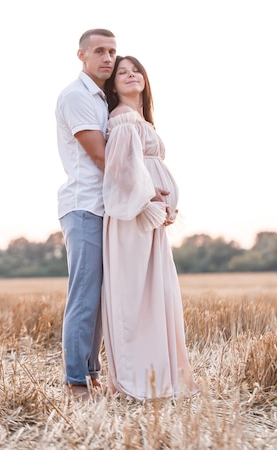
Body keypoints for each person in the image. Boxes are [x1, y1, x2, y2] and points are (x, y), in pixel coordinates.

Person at [102, 55, 198, 400]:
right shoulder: (123, 119)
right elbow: (120, 172)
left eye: (135, 70)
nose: (130, 76)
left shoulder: (141, 119)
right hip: (134, 217)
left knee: (157, 293)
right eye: (121, 73)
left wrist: (164, 204)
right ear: (112, 85)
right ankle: (138, 378)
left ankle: (159, 374)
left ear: (145, 77)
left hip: (150, 216)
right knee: (136, 295)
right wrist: (149, 201)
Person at [55, 28, 117, 399]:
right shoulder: (76, 96)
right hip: (83, 206)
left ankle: (91, 372)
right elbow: (100, 155)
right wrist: (143, 194)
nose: (108, 58)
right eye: (99, 51)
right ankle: (76, 381)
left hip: (107, 208)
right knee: (83, 294)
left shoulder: (103, 100)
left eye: (112, 51)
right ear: (82, 55)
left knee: (98, 296)